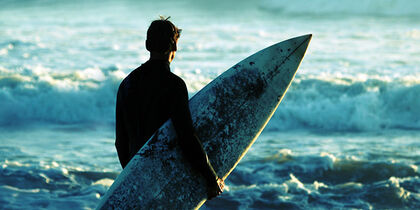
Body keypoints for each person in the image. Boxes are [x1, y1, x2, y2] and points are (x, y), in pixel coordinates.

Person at [115, 17, 224, 200]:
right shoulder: (174, 85)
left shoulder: (126, 85)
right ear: (175, 46)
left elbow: (120, 142)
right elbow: (187, 137)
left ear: (147, 45)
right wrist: (211, 178)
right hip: (166, 176)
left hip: (140, 179)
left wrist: (133, 178)